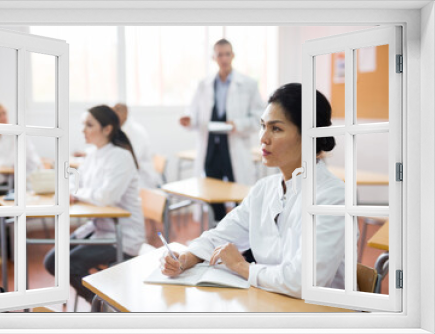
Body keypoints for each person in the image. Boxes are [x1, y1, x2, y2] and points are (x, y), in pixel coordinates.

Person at [162, 83, 346, 298]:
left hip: (320, 315)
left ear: (309, 136)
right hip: (273, 303)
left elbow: (305, 282)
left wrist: (242, 267)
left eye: (276, 129)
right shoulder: (264, 190)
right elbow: (221, 235)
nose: (263, 138)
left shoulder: (332, 196)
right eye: (263, 126)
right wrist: (187, 257)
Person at [43, 105, 145, 302]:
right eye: (84, 125)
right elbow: (75, 182)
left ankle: (105, 306)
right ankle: (102, 302)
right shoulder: (93, 153)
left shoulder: (120, 156)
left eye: (89, 125)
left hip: (123, 235)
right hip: (99, 228)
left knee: (66, 264)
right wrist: (74, 190)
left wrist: (77, 193)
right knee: (52, 261)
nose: (83, 130)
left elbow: (106, 197)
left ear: (107, 129)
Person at [179, 39, 265, 221]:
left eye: (227, 54)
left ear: (233, 56)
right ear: (214, 57)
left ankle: (243, 239)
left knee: (240, 195)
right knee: (212, 192)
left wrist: (238, 124)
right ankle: (216, 230)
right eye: (220, 54)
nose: (224, 58)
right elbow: (194, 112)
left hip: (234, 146)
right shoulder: (204, 84)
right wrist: (189, 120)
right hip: (211, 148)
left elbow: (259, 117)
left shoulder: (248, 84)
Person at [0, 102, 42, 187]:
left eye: (4, 113)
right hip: (4, 181)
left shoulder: (16, 134)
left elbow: (10, 162)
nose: (3, 118)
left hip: (30, 179)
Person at [113, 103, 161, 188]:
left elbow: (132, 159)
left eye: (117, 110)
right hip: (126, 175)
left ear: (126, 113)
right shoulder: (117, 130)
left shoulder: (136, 132)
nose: (113, 114)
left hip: (142, 179)